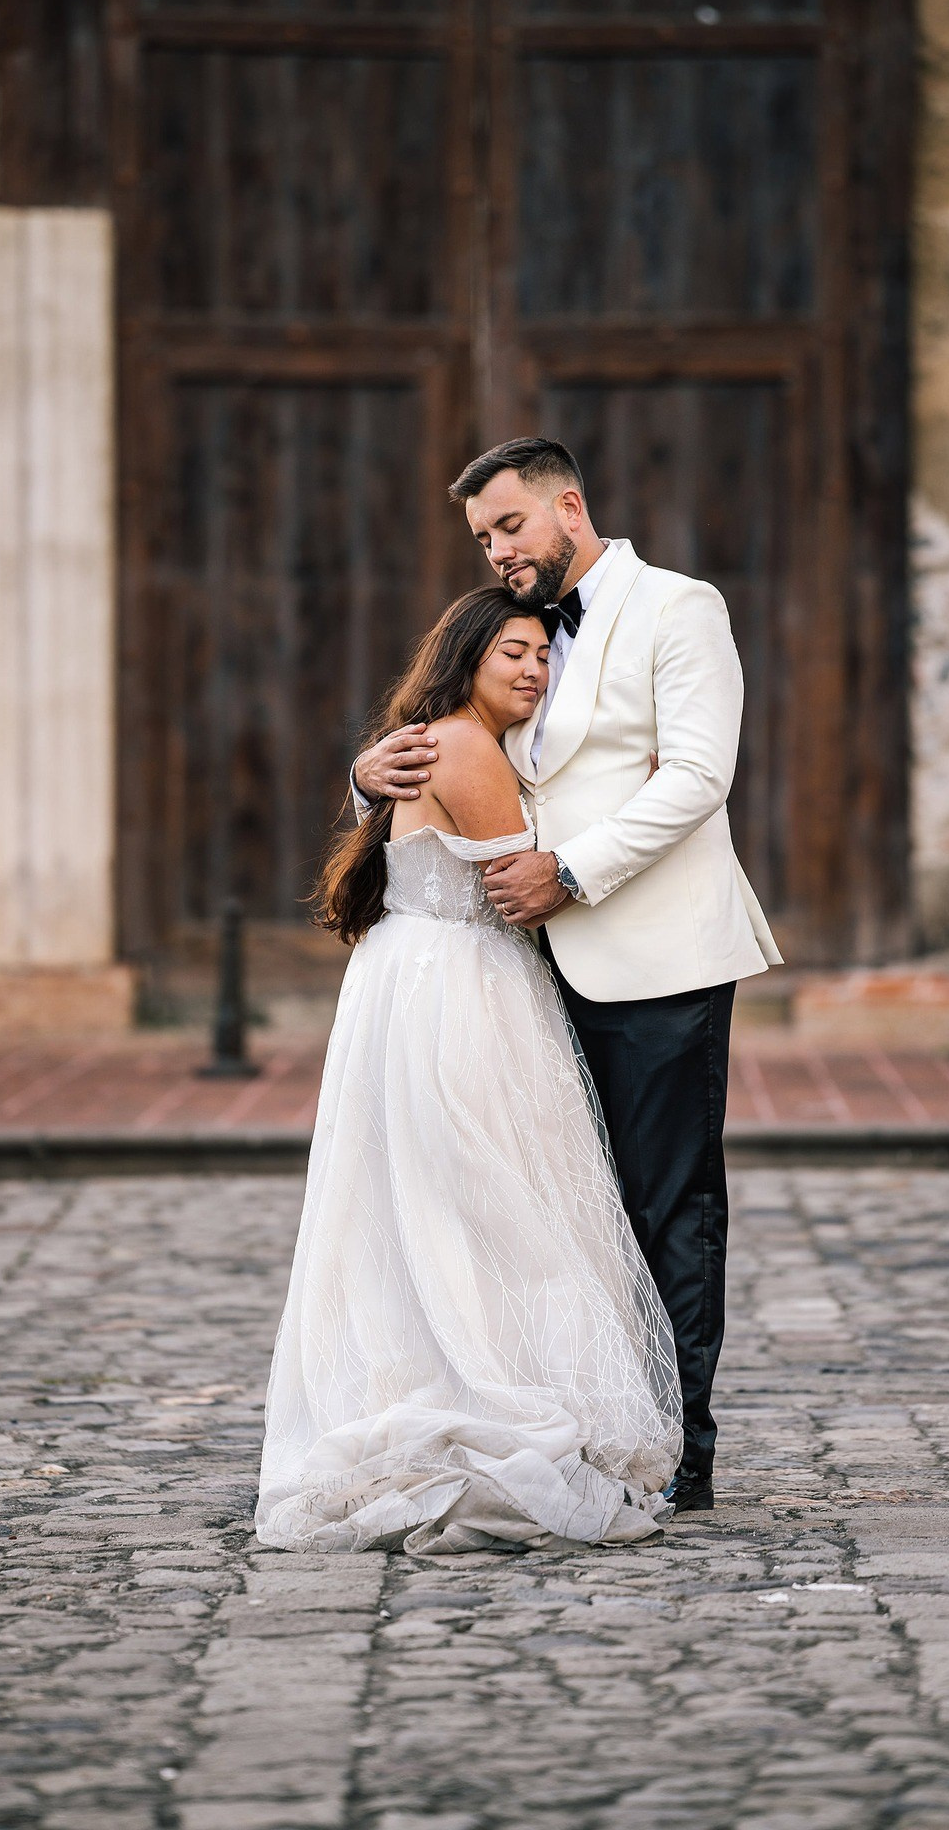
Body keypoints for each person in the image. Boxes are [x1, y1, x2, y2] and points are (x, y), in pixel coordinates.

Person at [354, 437, 781, 1514]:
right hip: (527, 975)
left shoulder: (676, 607)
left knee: (665, 1203)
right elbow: (470, 753)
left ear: (569, 507)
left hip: (654, 954)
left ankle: (681, 1445)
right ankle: (589, 1419)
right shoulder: (526, 635)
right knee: (560, 1213)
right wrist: (369, 780)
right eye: (482, 539)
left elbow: (695, 773)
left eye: (509, 526)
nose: (497, 551)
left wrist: (575, 870)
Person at [256, 585, 682, 1557]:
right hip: (459, 989)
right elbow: (524, 889)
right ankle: (492, 1400)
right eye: (513, 655)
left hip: (418, 979)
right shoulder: (465, 744)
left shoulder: (440, 739)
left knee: (429, 1206)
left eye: (543, 656)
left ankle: (439, 1376)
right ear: (464, 659)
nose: (534, 670)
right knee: (496, 1203)